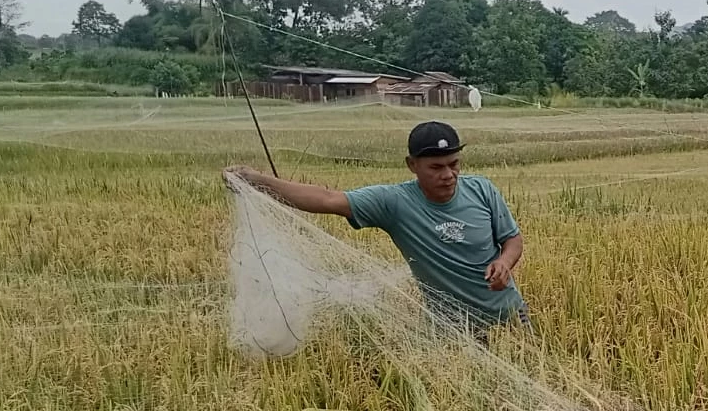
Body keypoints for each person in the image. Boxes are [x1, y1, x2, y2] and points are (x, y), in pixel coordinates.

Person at [225, 120, 528, 335]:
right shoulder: (393, 202)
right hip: (451, 333)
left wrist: (504, 261)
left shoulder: (482, 190)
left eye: (454, 164)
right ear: (412, 165)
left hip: (511, 319)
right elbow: (329, 199)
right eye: (436, 167)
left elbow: (512, 238)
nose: (448, 174)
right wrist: (257, 181)